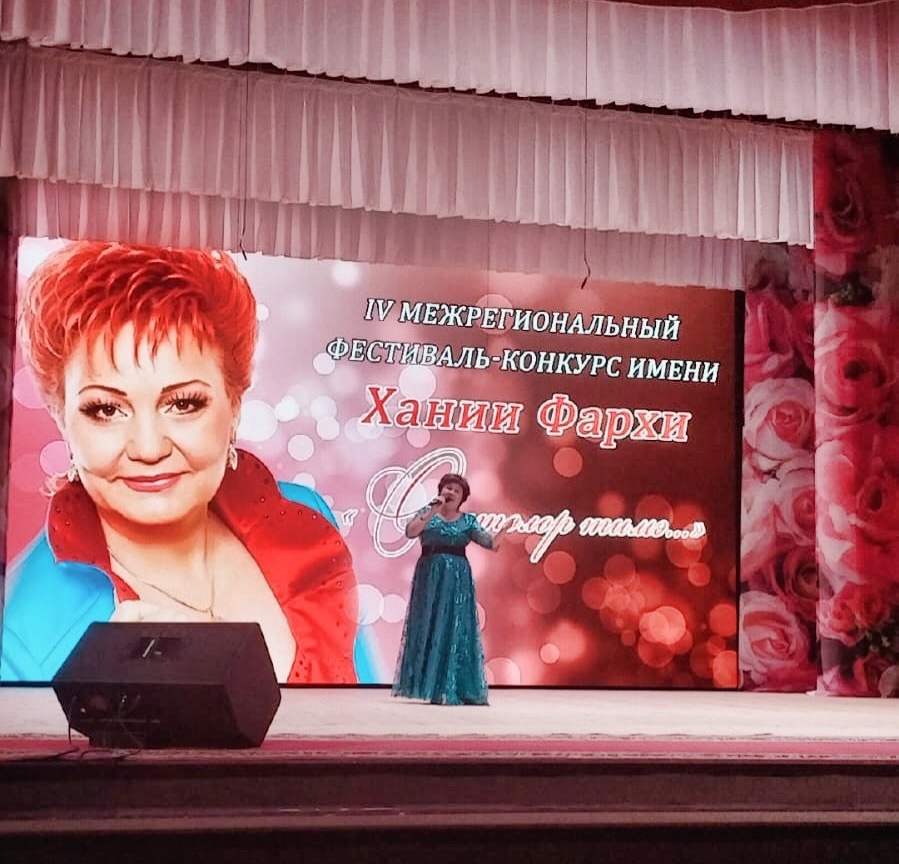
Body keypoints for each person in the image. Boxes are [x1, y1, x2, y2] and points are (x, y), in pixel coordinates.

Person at [1, 241, 360, 685]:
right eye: (106, 410)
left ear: (234, 405)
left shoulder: (302, 519)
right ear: (61, 418)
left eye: (183, 403)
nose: (149, 448)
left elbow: (366, 706)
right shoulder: (24, 636)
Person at [392, 473, 507, 706]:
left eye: (456, 490)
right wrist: (431, 511)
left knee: (455, 627)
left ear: (463, 497)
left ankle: (454, 686)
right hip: (429, 577)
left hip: (457, 580)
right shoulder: (428, 513)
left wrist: (502, 534)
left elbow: (489, 543)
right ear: (440, 491)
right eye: (448, 488)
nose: (451, 492)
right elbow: (411, 532)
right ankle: (427, 686)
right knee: (428, 624)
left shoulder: (468, 521)